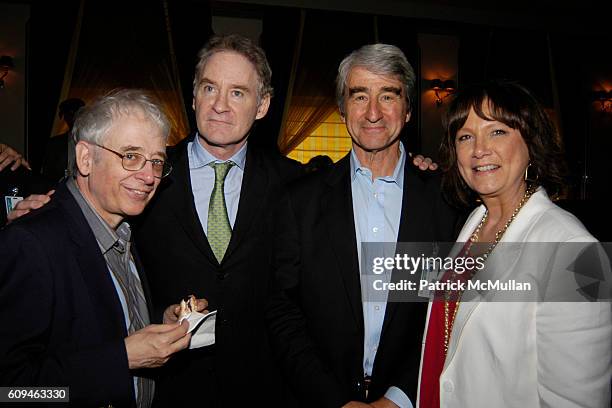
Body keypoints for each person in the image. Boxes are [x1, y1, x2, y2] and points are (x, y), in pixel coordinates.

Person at [266, 44, 458, 408]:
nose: (373, 112)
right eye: (359, 96)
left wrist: (399, 397)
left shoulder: (444, 202)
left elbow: (447, 312)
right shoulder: (300, 201)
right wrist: (332, 400)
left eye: (388, 95)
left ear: (408, 110)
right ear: (343, 108)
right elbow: (282, 311)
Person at [133, 34, 304, 407]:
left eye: (238, 93)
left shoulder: (296, 183)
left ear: (263, 105)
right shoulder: (146, 176)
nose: (219, 106)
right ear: (194, 96)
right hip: (169, 389)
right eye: (210, 88)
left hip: (265, 388)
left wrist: (422, 177)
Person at [419, 80, 612, 408]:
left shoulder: (575, 252)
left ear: (531, 143)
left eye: (497, 132)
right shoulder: (476, 220)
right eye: (465, 136)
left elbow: (575, 401)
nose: (479, 149)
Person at [0, 89, 193, 407]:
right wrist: (122, 359)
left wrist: (157, 323)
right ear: (85, 158)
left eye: (157, 161)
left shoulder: (125, 228)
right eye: (131, 156)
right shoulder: (31, 244)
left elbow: (96, 321)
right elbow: (14, 392)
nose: (148, 176)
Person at [41, 97, 86, 182]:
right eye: (70, 114)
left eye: (77, 113)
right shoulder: (54, 144)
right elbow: (47, 175)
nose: (74, 117)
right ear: (64, 117)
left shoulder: (93, 142)